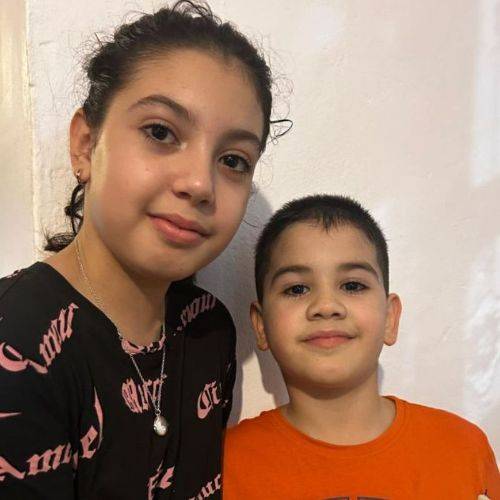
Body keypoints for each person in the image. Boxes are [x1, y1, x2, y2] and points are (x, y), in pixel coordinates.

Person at [0, 1, 285, 498]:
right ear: (86, 145)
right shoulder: (17, 341)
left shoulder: (207, 328)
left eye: (233, 160)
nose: (200, 183)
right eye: (160, 132)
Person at [223, 194, 500, 499]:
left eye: (353, 285)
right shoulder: (223, 466)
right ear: (261, 325)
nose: (326, 306)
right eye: (297, 288)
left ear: (390, 318)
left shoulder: (463, 449)